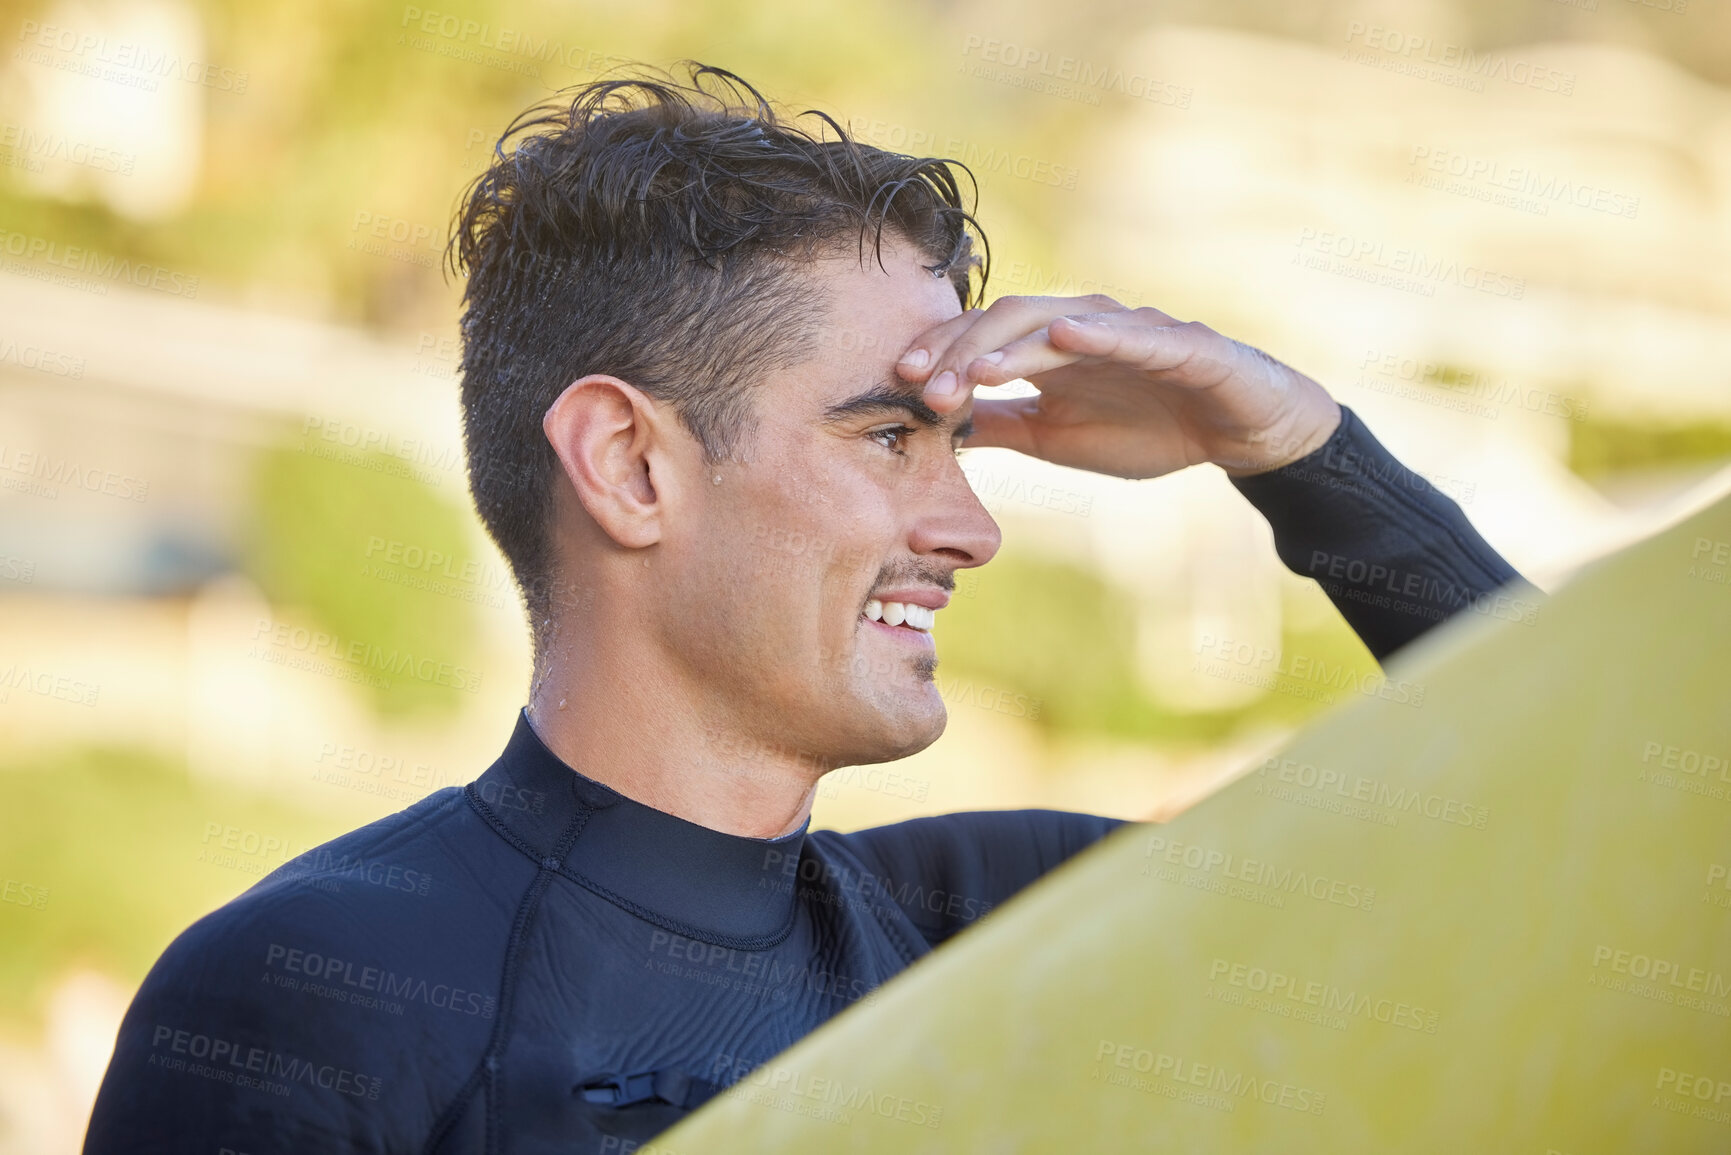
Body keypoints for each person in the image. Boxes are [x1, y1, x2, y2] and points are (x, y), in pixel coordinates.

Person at [83, 63, 1529, 1153]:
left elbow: (1611, 858)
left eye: (956, 447)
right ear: (631, 464)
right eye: (892, 437)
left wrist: (1286, 440)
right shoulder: (308, 1001)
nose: (968, 528)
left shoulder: (990, 921)